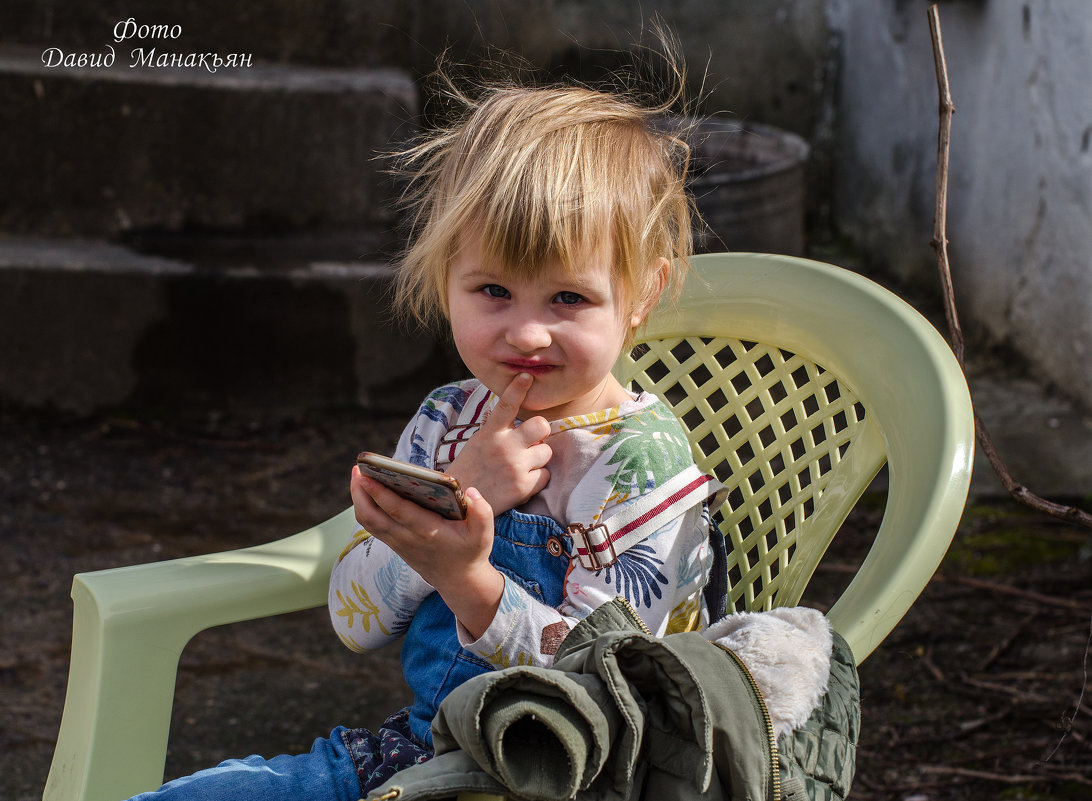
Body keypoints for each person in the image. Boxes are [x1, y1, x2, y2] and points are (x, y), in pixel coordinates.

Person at [127, 60, 715, 801]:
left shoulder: (640, 466)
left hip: (576, 775)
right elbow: (352, 618)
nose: (527, 331)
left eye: (568, 296)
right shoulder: (447, 419)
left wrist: (467, 576)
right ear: (447, 277)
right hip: (427, 752)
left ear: (643, 295)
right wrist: (458, 496)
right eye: (493, 290)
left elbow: (609, 694)